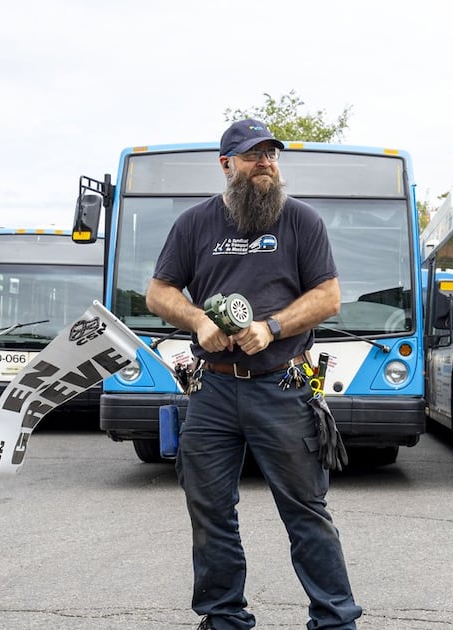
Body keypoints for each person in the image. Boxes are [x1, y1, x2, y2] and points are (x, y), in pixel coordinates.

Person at [145, 119, 362, 630]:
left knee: (306, 511)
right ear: (226, 165)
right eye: (252, 155)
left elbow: (328, 296)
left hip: (282, 384)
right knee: (209, 509)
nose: (265, 162)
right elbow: (159, 293)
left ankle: (335, 621)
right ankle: (224, 619)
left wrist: (272, 327)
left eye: (271, 155)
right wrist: (199, 321)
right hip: (214, 388)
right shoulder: (195, 225)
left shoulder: (301, 222)